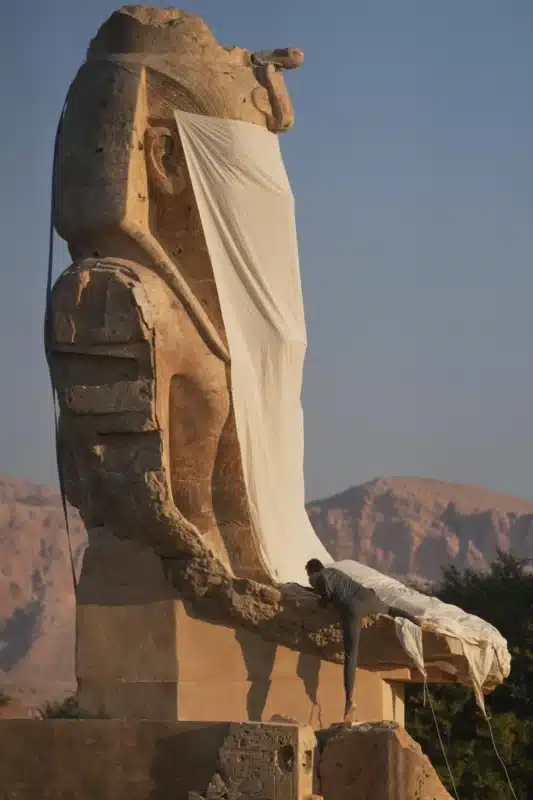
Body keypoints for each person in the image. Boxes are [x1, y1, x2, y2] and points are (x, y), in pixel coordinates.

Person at [305, 558, 414, 722]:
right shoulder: (335, 571)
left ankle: (349, 700)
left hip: (352, 607)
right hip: (368, 598)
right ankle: (418, 622)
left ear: (311, 571)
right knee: (390, 610)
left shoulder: (318, 577)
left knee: (351, 654)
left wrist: (321, 601)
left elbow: (325, 597)